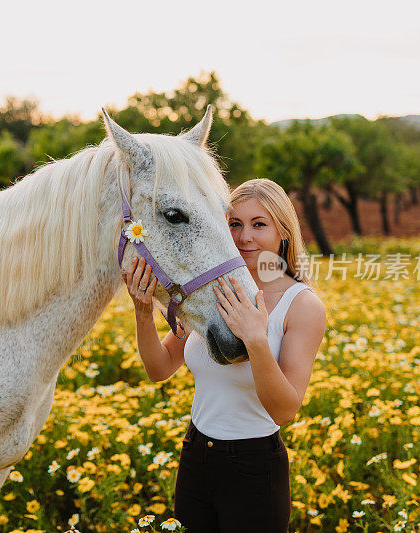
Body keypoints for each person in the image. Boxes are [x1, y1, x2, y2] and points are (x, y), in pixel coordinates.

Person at [121, 178, 326, 532]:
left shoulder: (302, 305)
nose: (244, 236)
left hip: (254, 467)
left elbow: (285, 409)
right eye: (234, 224)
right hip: (196, 454)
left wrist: (256, 342)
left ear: (283, 233)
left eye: (258, 224)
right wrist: (142, 312)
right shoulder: (209, 292)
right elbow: (159, 369)